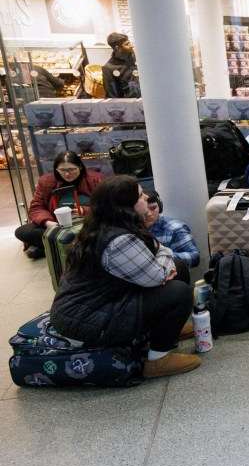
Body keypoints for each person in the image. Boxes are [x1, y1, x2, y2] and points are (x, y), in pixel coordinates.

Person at [49, 176, 200, 379]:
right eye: (139, 195)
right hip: (87, 322)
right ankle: (157, 360)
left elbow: (154, 263)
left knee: (178, 268)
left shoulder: (105, 226)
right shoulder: (119, 239)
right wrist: (163, 256)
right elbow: (157, 274)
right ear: (125, 205)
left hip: (97, 305)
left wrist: (162, 260)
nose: (146, 197)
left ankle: (167, 329)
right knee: (178, 293)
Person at [15, 151, 105, 259]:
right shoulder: (46, 181)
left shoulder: (96, 179)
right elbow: (36, 206)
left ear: (80, 167)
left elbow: (106, 206)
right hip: (59, 226)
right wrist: (48, 223)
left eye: (71, 169)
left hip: (86, 224)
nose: (67, 174)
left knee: (102, 231)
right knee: (23, 231)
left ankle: (51, 245)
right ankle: (70, 244)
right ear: (56, 169)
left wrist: (85, 210)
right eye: (62, 170)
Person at [141, 188, 201, 271]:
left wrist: (161, 255)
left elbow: (194, 257)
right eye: (145, 210)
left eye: (153, 208)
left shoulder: (174, 228)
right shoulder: (130, 228)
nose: (149, 214)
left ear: (160, 207)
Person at [102, 32, 141, 98]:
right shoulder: (109, 68)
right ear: (118, 48)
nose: (131, 46)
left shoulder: (136, 57)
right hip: (130, 105)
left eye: (130, 43)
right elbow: (111, 95)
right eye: (127, 44)